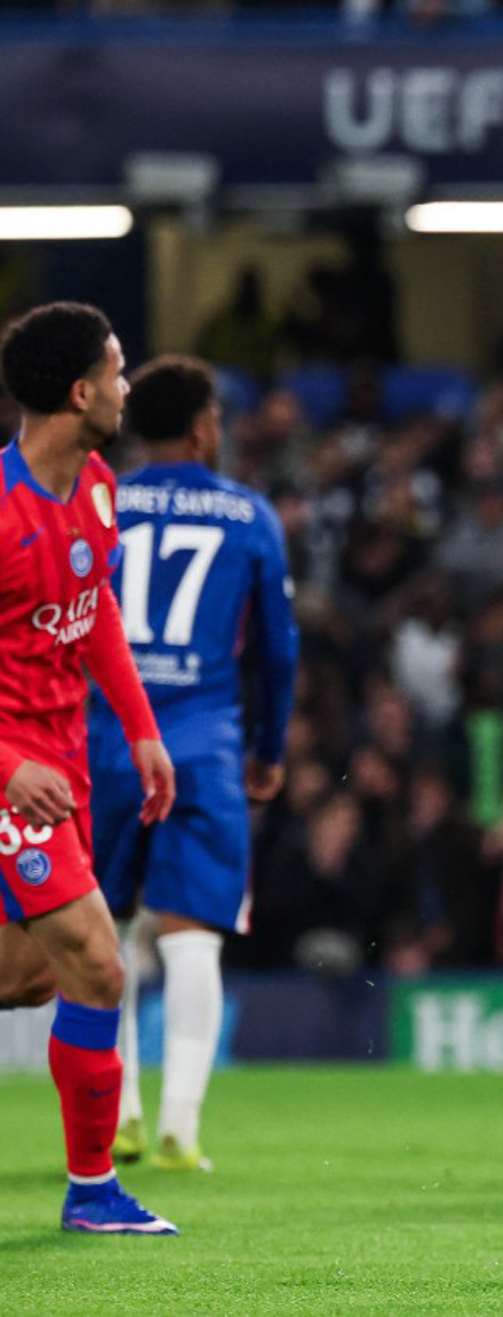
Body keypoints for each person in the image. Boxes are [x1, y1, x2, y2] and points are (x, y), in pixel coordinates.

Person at [85, 355, 299, 1173]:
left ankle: (120, 1116)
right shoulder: (249, 514)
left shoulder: (99, 502)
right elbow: (278, 648)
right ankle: (180, 1122)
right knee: (193, 934)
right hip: (203, 743)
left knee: (102, 935)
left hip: (104, 739)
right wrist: (269, 750)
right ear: (207, 427)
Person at [0, 301, 178, 1233]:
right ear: (79, 393)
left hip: (64, 765)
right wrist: (4, 767)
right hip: (12, 777)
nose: (126, 384)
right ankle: (93, 1188)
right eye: (115, 370)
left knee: (28, 978)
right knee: (101, 969)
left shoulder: (99, 485)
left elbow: (95, 605)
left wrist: (141, 727)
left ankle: (92, 1186)